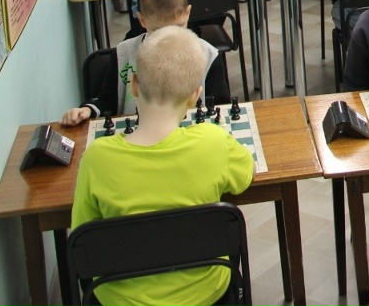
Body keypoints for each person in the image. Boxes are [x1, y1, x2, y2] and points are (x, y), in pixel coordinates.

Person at [71, 26, 253, 306]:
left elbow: (82, 238)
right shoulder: (214, 142)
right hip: (206, 295)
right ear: (195, 96)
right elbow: (245, 175)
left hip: (120, 300)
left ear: (133, 85)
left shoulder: (96, 158)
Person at [60, 0, 223, 123]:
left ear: (188, 13)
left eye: (178, 26)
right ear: (142, 20)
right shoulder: (124, 53)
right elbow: (107, 101)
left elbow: (220, 107)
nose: (168, 37)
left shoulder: (208, 55)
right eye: (158, 30)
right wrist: (88, 110)